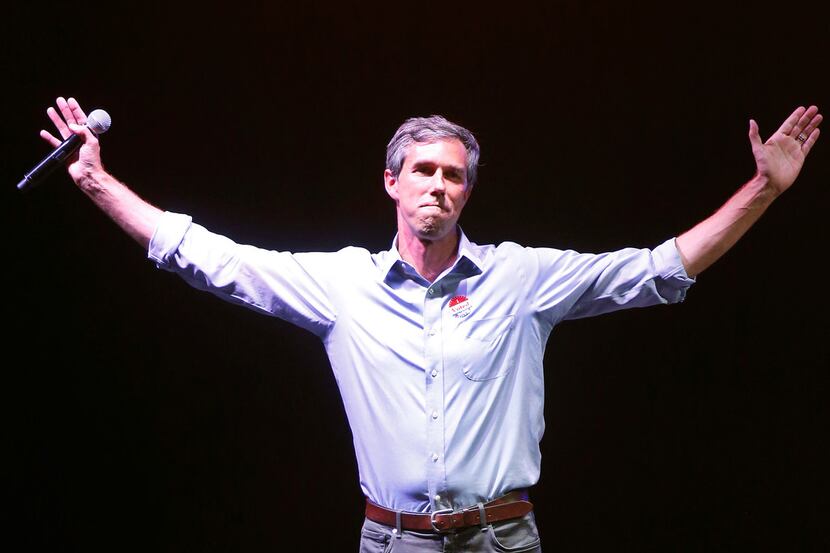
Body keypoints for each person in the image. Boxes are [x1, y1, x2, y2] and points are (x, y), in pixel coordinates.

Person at [39, 97, 821, 552]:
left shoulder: (522, 278)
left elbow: (659, 268)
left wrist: (764, 190)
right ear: (391, 181)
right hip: (395, 542)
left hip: (501, 539)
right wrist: (100, 185)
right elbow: (211, 257)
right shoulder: (343, 284)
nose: (439, 186)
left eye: (454, 175)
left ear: (468, 193)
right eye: (424, 170)